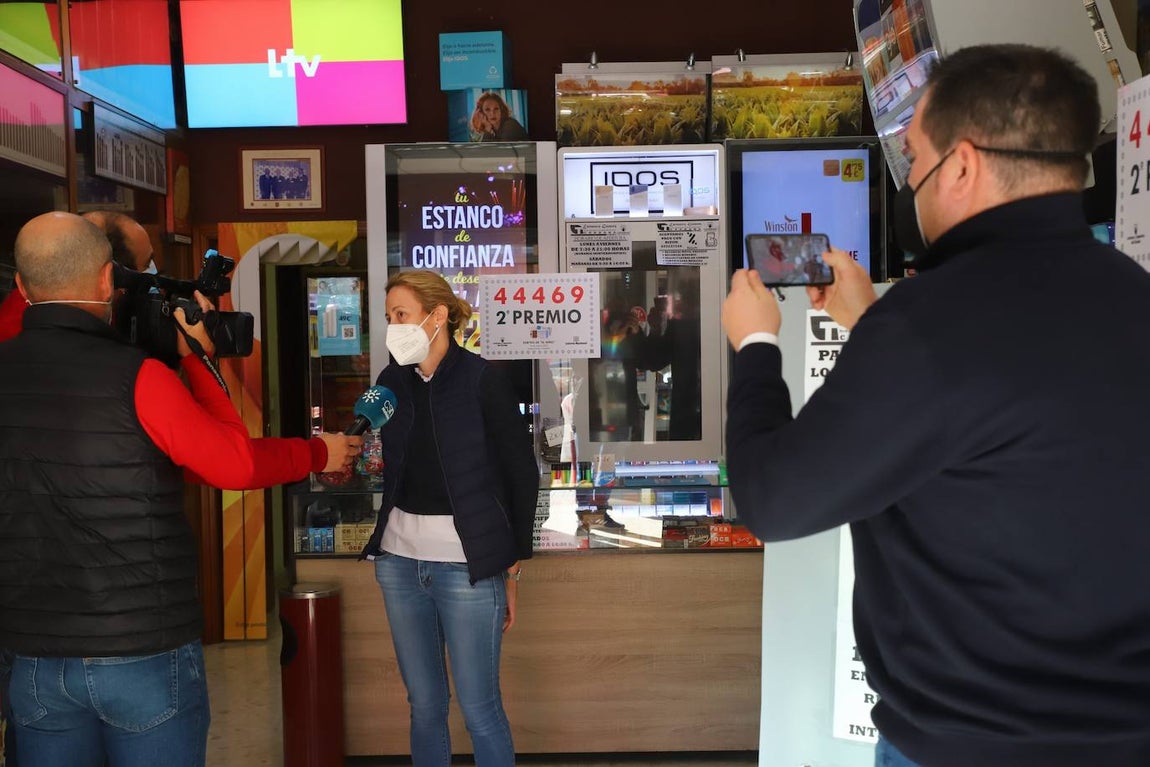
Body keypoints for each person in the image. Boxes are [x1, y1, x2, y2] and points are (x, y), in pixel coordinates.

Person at [721, 44, 1150, 767]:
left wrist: (757, 344)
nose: (908, 179)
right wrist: (870, 322)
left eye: (912, 157)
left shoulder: (927, 325)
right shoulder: (1132, 293)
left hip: (965, 741)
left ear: (961, 164)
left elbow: (772, 498)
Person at [0, 213, 361, 767]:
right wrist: (202, 362)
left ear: (22, 288)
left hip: (34, 654)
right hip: (142, 647)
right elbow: (232, 464)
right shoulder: (139, 377)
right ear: (106, 281)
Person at [359, 269, 537, 767]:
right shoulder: (390, 382)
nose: (394, 327)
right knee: (425, 706)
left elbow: (521, 475)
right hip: (398, 564)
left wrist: (514, 565)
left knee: (481, 709)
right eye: (389, 317)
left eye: (402, 315)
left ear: (438, 316)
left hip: (467, 567)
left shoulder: (483, 380)